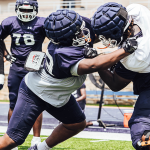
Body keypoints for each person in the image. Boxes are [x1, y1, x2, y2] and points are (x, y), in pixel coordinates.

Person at [0, 9, 137, 150]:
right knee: (12, 140)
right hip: (35, 93)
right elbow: (94, 64)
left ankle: (39, 149)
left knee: (76, 124)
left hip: (58, 94)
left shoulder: (76, 28)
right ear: (65, 39)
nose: (83, 32)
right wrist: (125, 50)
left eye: (80, 28)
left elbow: (96, 34)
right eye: (78, 32)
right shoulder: (62, 53)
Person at [91, 2, 150, 150]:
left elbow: (115, 84)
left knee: (141, 133)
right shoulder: (135, 11)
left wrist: (97, 61)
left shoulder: (137, 56)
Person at [0, 0, 46, 149]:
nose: (26, 13)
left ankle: (36, 140)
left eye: (29, 10)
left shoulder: (42, 23)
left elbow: (56, 39)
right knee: (13, 102)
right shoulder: (9, 22)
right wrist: (6, 54)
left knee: (37, 104)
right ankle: (10, 137)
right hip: (17, 66)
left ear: (35, 10)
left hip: (35, 68)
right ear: (17, 9)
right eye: (23, 10)